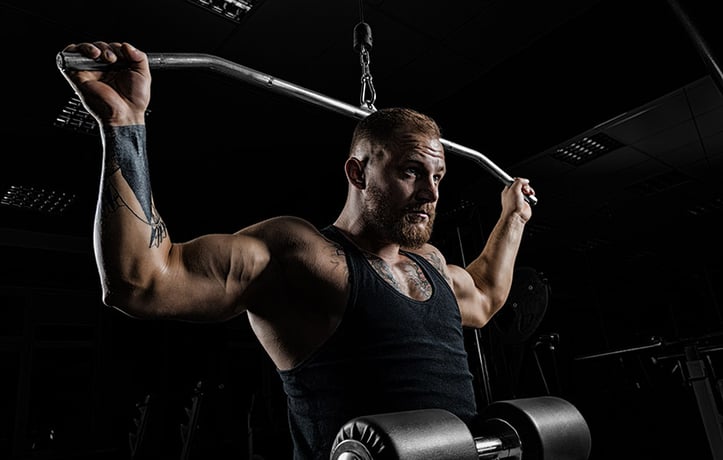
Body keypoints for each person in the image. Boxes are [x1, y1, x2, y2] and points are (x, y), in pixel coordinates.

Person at [59, 41, 535, 460]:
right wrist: (125, 123)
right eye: (411, 172)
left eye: (438, 177)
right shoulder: (301, 254)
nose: (430, 194)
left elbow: (488, 296)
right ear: (358, 173)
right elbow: (142, 283)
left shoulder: (431, 264)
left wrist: (513, 216)